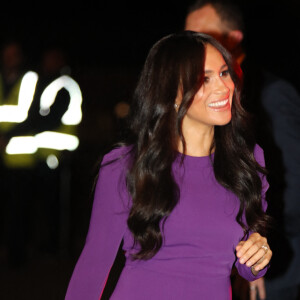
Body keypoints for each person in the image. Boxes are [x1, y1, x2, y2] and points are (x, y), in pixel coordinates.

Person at [65, 31, 272, 300]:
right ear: (172, 92)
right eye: (204, 79)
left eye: (224, 73)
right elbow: (93, 267)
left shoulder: (248, 162)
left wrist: (258, 255)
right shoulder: (126, 166)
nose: (223, 87)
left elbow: (246, 265)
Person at [185, 1, 300, 300]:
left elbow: (292, 184)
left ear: (233, 39)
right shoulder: (194, 95)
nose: (189, 47)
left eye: (201, 35)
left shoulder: (269, 93)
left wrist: (258, 248)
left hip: (270, 267)